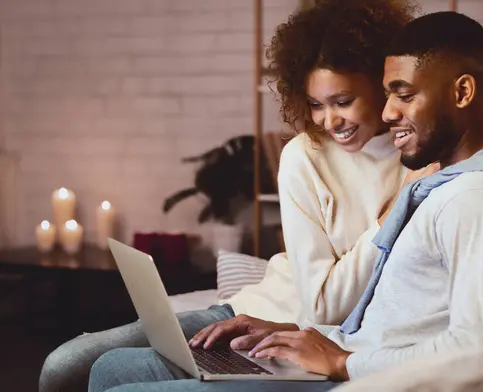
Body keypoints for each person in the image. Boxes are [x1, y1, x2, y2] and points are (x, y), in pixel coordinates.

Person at [88, 11, 483, 392]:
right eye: (387, 95)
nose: (388, 113)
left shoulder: (479, 194)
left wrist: (342, 360)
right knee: (109, 367)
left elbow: (482, 345)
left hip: (350, 369)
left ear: (463, 91)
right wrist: (309, 337)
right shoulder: (449, 184)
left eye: (401, 95)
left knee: (119, 383)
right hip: (335, 347)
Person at [39, 1, 421, 391]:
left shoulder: (421, 157)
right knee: (64, 364)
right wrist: (392, 214)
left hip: (312, 335)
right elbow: (320, 299)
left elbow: (331, 307)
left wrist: (394, 208)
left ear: (381, 84)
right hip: (252, 310)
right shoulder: (306, 155)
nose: (330, 121)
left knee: (111, 372)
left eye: (343, 102)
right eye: (316, 105)